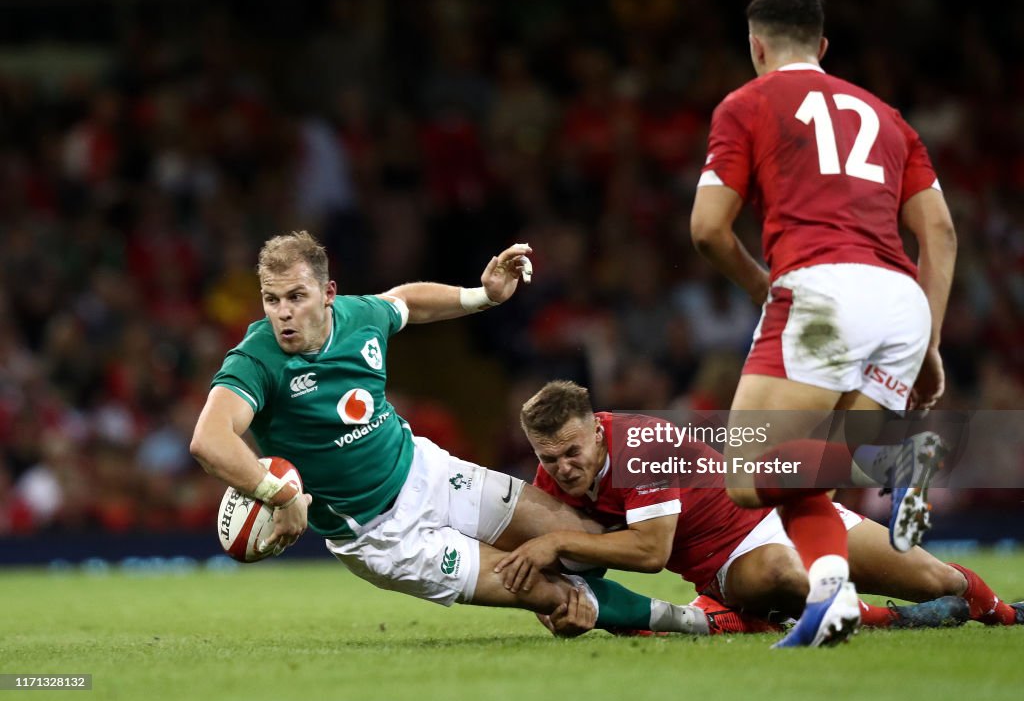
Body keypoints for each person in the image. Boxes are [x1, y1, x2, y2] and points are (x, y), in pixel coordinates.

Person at [190, 230, 710, 638]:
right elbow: (209, 440)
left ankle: (718, 581)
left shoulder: (358, 317)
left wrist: (481, 295)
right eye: (271, 299)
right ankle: (696, 623)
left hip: (429, 471)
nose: (283, 313)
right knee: (547, 592)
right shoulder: (258, 358)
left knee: (585, 541)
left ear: (328, 294)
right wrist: (279, 494)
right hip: (383, 537)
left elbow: (406, 303)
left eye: (296, 297)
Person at [688, 0, 958, 646]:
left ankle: (894, 467)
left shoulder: (746, 103)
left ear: (757, 45)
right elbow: (942, 234)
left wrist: (761, 287)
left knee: (748, 475)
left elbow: (707, 231)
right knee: (819, 465)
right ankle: (831, 597)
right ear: (824, 46)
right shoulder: (889, 117)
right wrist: (929, 342)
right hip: (900, 303)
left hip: (821, 292)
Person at [496, 380, 1023, 635]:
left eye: (572, 451)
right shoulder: (554, 481)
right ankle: (893, 622)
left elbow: (651, 551)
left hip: (776, 512)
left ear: (597, 428)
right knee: (783, 571)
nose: (563, 467)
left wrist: (558, 541)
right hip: (726, 562)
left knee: (938, 579)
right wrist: (557, 603)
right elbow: (580, 565)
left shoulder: (642, 443)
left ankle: (1003, 612)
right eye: (550, 457)